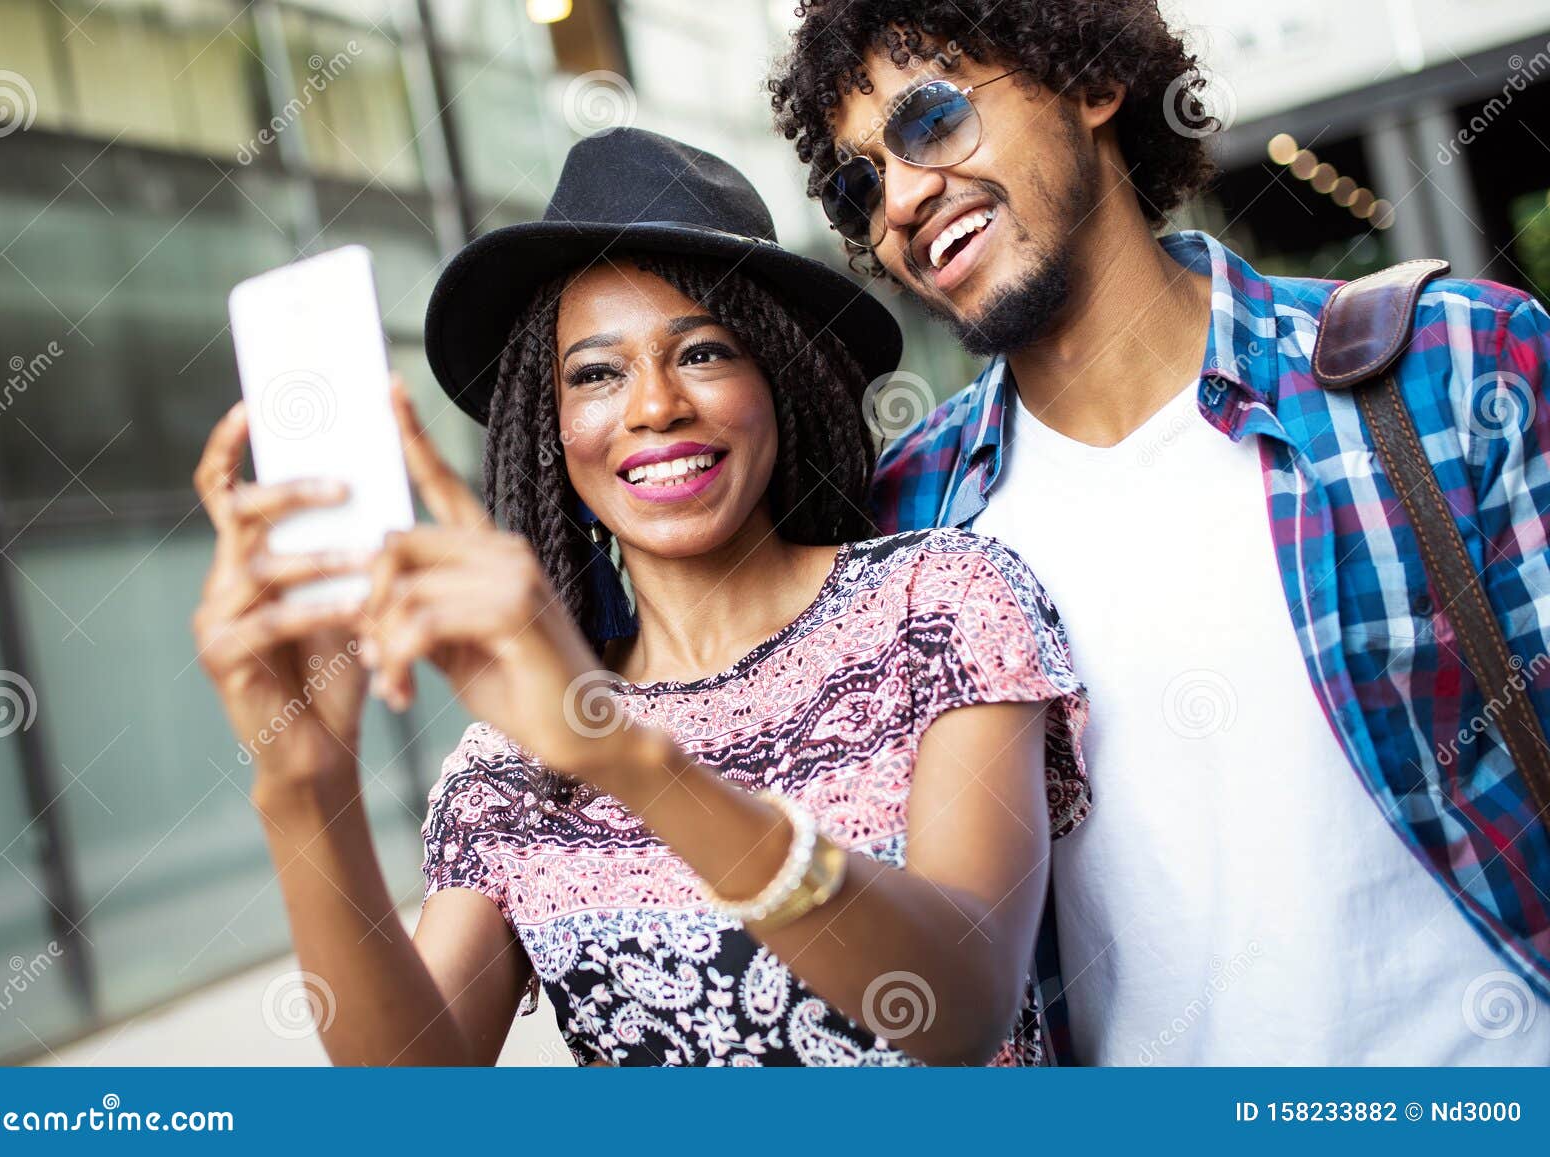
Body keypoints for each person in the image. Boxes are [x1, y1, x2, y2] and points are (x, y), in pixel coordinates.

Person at [190, 128, 1090, 1067]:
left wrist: (624, 755)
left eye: (701, 354)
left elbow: (960, 1004)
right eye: (596, 372)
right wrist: (303, 789)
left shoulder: (937, 604)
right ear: (552, 429)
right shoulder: (510, 769)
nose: (654, 405)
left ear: (777, 380)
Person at [769, 0, 1550, 1064]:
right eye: (860, 184)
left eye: (931, 122)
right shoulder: (905, 526)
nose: (900, 199)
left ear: (1091, 82)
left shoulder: (1451, 368)